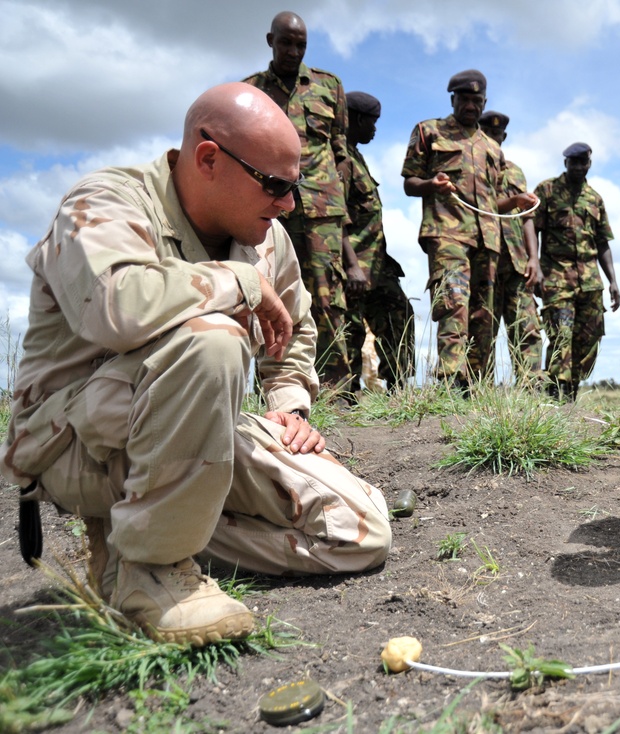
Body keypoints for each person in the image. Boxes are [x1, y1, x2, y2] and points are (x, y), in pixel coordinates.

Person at [1, 83, 393, 646]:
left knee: (360, 533)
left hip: (195, 431)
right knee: (214, 340)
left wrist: (289, 407)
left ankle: (140, 536)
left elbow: (295, 326)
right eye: (276, 185)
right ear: (209, 158)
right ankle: (152, 572)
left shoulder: (266, 239)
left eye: (295, 186)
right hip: (75, 441)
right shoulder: (105, 202)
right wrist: (238, 282)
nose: (289, 203)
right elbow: (116, 306)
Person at [244, 11, 364, 395]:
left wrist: (338, 196)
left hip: (321, 207)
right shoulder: (252, 90)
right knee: (270, 289)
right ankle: (280, 384)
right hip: (269, 201)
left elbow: (340, 150)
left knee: (329, 294)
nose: (294, 51)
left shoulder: (329, 86)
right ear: (270, 41)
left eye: (301, 45)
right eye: (286, 43)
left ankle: (336, 385)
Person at [401, 70, 537, 390]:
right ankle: (449, 379)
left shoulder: (492, 148)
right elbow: (409, 183)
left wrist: (515, 200)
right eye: (464, 99)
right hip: (446, 232)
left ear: (484, 102)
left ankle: (474, 385)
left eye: (477, 101)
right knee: (453, 301)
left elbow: (490, 205)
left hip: (487, 239)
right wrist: (431, 185)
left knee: (482, 313)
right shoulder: (429, 131)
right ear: (453, 100)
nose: (471, 106)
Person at [533, 143, 620, 400]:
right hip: (556, 276)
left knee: (590, 337)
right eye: (574, 163)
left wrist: (613, 281)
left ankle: (572, 388)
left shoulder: (595, 198)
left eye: (583, 163)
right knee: (561, 334)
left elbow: (603, 242)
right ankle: (555, 392)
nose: (579, 167)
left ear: (589, 164)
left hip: (591, 281)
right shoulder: (547, 190)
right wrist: (534, 265)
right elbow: (532, 226)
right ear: (566, 164)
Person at [342, 90, 415, 394]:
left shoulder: (356, 157)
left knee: (400, 314)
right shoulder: (340, 159)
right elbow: (334, 216)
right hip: (353, 263)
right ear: (356, 120)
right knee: (350, 327)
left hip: (376, 264)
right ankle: (344, 392)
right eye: (372, 123)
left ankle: (397, 383)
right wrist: (351, 266)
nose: (374, 130)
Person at [478, 110, 543, 385]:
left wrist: (534, 259)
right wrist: (513, 201)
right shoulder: (474, 167)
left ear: (504, 137)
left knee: (527, 327)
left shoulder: (515, 171)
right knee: (482, 328)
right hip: (485, 260)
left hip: (517, 261)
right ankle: (479, 389)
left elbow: (527, 216)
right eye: (488, 134)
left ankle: (531, 388)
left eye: (498, 135)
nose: (494, 139)